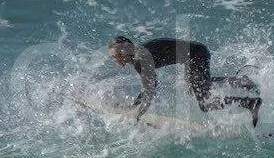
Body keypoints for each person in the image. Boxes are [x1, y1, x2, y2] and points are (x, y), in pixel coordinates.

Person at [109, 35, 261, 125]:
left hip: (196, 56)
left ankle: (249, 103)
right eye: (114, 56)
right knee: (194, 86)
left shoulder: (139, 58)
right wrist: (135, 106)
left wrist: (137, 114)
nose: (116, 59)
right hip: (194, 55)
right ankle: (239, 81)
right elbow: (150, 86)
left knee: (205, 103)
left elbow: (150, 91)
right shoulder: (139, 55)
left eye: (117, 55)